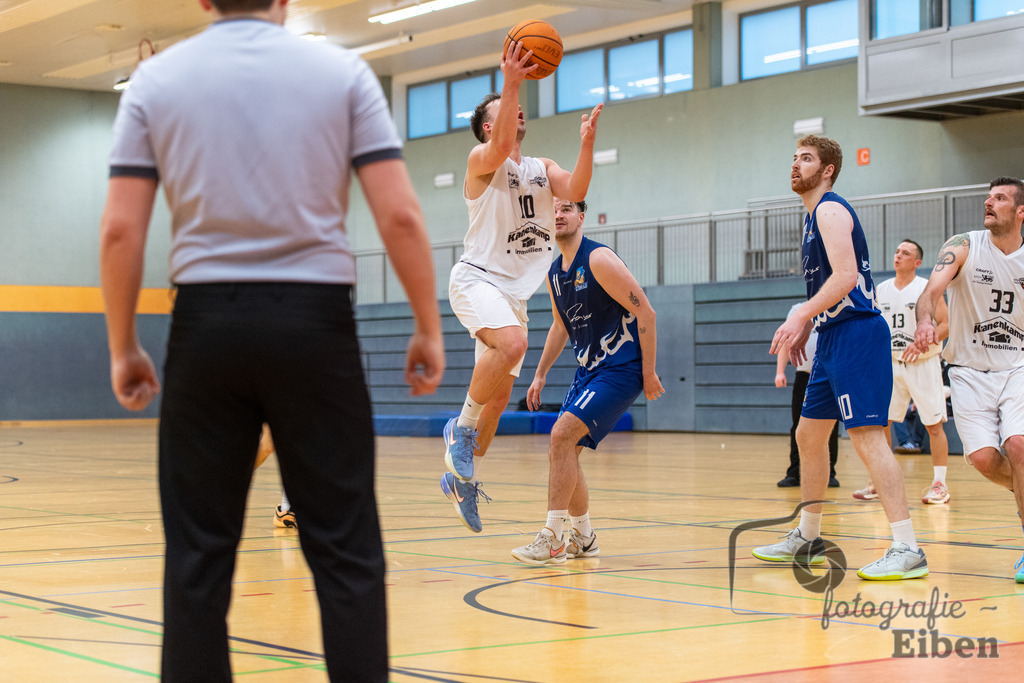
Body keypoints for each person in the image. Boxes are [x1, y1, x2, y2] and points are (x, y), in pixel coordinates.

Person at [99, 1, 444, 680]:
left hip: (206, 327)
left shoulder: (155, 82)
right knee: (346, 553)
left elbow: (120, 229)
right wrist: (428, 325)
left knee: (197, 559)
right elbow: (399, 213)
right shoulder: (342, 73)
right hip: (315, 327)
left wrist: (123, 346)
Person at [440, 40, 603, 533]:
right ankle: (458, 430)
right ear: (491, 126)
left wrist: (588, 142)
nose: (520, 114)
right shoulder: (482, 161)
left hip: (513, 295)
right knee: (512, 344)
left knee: (494, 413)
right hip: (476, 279)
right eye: (508, 111)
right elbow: (502, 145)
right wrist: (511, 79)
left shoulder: (540, 169)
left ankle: (461, 476)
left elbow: (575, 191)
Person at [754, 135, 927, 581]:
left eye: (806, 159)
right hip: (832, 335)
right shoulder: (811, 217)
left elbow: (847, 277)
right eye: (794, 157)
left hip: (857, 334)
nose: (796, 165)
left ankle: (907, 546)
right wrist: (810, 325)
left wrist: (799, 314)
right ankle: (809, 536)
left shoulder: (829, 209)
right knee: (809, 435)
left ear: (827, 170)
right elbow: (828, 288)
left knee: (867, 437)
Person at [511, 197, 664, 564]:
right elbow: (560, 326)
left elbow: (646, 311)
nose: (559, 214)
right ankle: (585, 536)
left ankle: (552, 537)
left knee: (561, 435)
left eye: (567, 209)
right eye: (554, 210)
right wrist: (540, 373)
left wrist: (648, 371)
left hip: (620, 369)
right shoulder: (553, 274)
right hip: (589, 371)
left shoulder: (598, 260)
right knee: (566, 451)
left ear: (581, 217)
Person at [914, 177, 1024, 582]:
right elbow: (932, 290)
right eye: (988, 197)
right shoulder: (963, 245)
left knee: (1019, 445)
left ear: (1020, 212)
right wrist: (925, 320)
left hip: (1017, 367)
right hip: (967, 370)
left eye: (1000, 198)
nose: (988, 202)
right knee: (982, 459)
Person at [852, 239, 951, 505]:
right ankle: (879, 482)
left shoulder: (927, 289)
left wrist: (923, 344)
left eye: (905, 253)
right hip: (889, 364)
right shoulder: (880, 290)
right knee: (882, 423)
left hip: (923, 363)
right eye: (897, 251)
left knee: (933, 425)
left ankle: (940, 484)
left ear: (917, 262)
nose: (898, 255)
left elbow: (946, 324)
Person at [774, 302, 839, 488]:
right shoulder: (797, 310)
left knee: (830, 426)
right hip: (804, 375)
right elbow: (787, 342)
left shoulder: (834, 305)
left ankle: (830, 473)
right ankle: (795, 472)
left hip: (829, 375)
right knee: (798, 425)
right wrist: (780, 371)